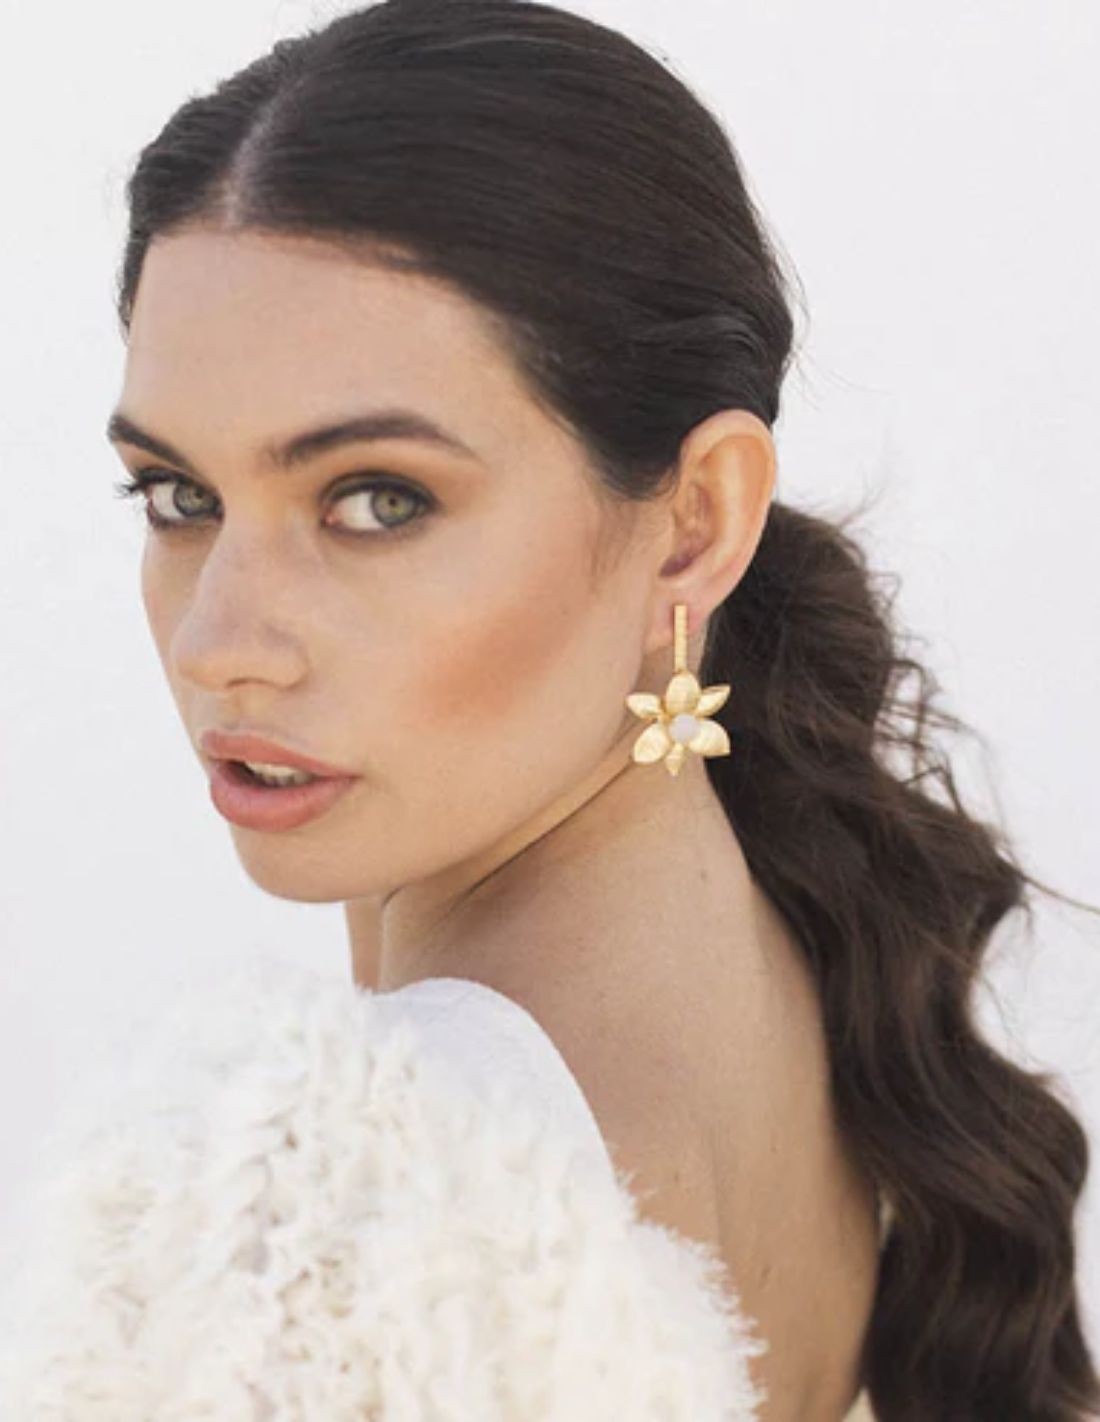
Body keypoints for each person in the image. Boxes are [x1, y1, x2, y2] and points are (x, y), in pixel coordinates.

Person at [1, 1, 1097, 1417]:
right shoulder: (814, 956)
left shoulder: (323, 1209)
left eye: (376, 501)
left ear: (697, 522)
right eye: (179, 495)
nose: (221, 644)